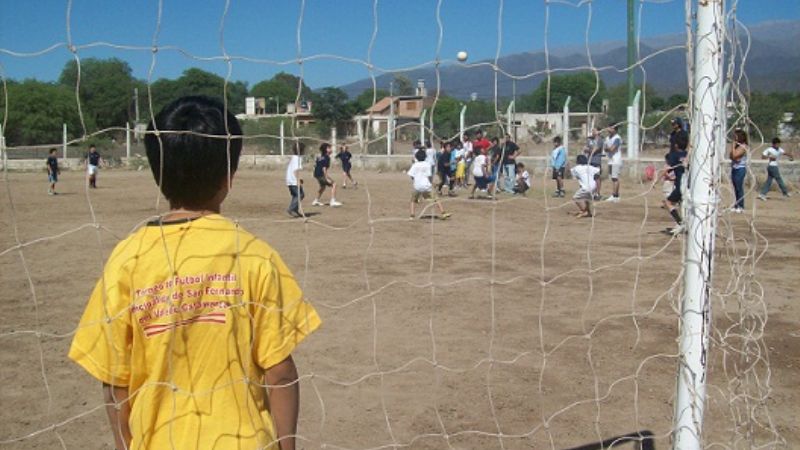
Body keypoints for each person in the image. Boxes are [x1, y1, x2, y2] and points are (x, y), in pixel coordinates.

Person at [68, 96, 321, 450]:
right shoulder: (253, 254)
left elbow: (115, 383)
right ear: (229, 177)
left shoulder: (127, 258)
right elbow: (279, 372)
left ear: (158, 174)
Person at [408, 149, 451, 220]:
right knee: (436, 199)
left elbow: (411, 175)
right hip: (426, 186)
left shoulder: (415, 165)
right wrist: (432, 183)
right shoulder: (427, 164)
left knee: (412, 200)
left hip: (417, 186)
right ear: (425, 157)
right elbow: (429, 176)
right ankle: (443, 213)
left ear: (416, 157)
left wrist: (415, 180)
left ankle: (412, 215)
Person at [662, 141, 689, 235]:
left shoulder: (674, 155)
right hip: (690, 185)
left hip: (680, 185)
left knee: (668, 202)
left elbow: (667, 168)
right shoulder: (689, 155)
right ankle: (685, 224)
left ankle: (681, 223)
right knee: (684, 204)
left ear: (676, 144)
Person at [312, 143, 342, 207]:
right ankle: (333, 201)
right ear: (326, 150)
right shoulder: (326, 157)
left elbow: (315, 166)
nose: (331, 149)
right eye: (329, 148)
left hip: (316, 174)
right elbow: (324, 169)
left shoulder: (320, 157)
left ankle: (316, 201)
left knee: (322, 187)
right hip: (321, 174)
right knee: (334, 184)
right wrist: (327, 178)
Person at [729, 128, 748, 213]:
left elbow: (735, 155)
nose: (734, 138)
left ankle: (741, 205)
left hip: (740, 169)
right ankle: (736, 204)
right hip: (734, 168)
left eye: (736, 136)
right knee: (735, 187)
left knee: (739, 187)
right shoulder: (737, 146)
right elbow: (731, 156)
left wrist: (733, 147)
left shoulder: (743, 146)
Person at [604, 125, 623, 202]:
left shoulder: (617, 138)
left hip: (616, 160)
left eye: (611, 128)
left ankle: (615, 196)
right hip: (610, 160)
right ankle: (615, 195)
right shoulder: (607, 138)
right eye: (608, 127)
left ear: (615, 129)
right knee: (612, 178)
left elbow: (612, 148)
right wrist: (608, 149)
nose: (608, 129)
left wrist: (608, 149)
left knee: (615, 178)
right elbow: (605, 148)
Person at [286, 142, 305, 217]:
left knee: (295, 195)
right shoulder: (298, 159)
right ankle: (291, 209)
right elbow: (296, 171)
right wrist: (298, 180)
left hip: (289, 180)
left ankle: (295, 210)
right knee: (301, 195)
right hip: (293, 181)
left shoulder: (294, 157)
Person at [585, 127, 604, 199]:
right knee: (590, 178)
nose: (592, 132)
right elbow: (585, 148)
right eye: (592, 130)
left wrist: (589, 150)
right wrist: (589, 150)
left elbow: (596, 149)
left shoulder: (600, 140)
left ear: (598, 131)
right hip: (589, 161)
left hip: (596, 161)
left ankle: (597, 193)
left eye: (594, 130)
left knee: (597, 177)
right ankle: (591, 193)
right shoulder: (589, 139)